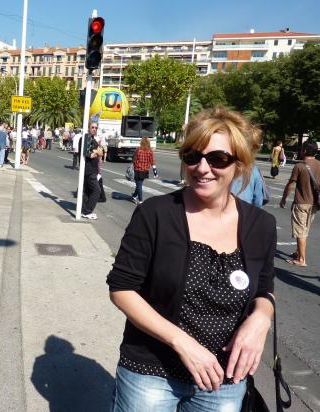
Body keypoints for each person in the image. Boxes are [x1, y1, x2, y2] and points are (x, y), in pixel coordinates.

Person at [107, 107, 276, 411]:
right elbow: (121, 288)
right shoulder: (155, 214)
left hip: (223, 379)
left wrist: (261, 318)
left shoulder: (260, 225)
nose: (202, 167)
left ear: (239, 164)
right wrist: (181, 342)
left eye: (218, 159)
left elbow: (264, 288)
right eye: (192, 156)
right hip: (151, 371)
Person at [280, 140, 320, 267]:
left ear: (305, 151)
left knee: (300, 230)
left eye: (302, 148)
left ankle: (301, 259)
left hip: (302, 202)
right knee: (305, 228)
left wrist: (284, 199)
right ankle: (298, 251)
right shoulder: (319, 164)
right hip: (314, 204)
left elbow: (290, 184)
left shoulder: (299, 166)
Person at [81, 121, 103, 220]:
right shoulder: (85, 139)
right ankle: (88, 211)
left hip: (92, 170)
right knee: (97, 191)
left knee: (87, 191)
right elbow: (89, 154)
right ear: (88, 128)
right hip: (89, 170)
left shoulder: (93, 140)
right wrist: (96, 152)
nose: (94, 129)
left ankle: (84, 211)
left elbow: (101, 153)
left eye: (96, 128)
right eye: (92, 127)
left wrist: (96, 151)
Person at [131, 137, 157, 204]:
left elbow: (134, 160)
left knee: (139, 185)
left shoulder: (138, 150)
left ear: (141, 142)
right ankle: (134, 195)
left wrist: (135, 165)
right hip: (145, 171)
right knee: (139, 184)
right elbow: (152, 162)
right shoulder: (150, 151)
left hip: (138, 170)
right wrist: (155, 172)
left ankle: (140, 201)